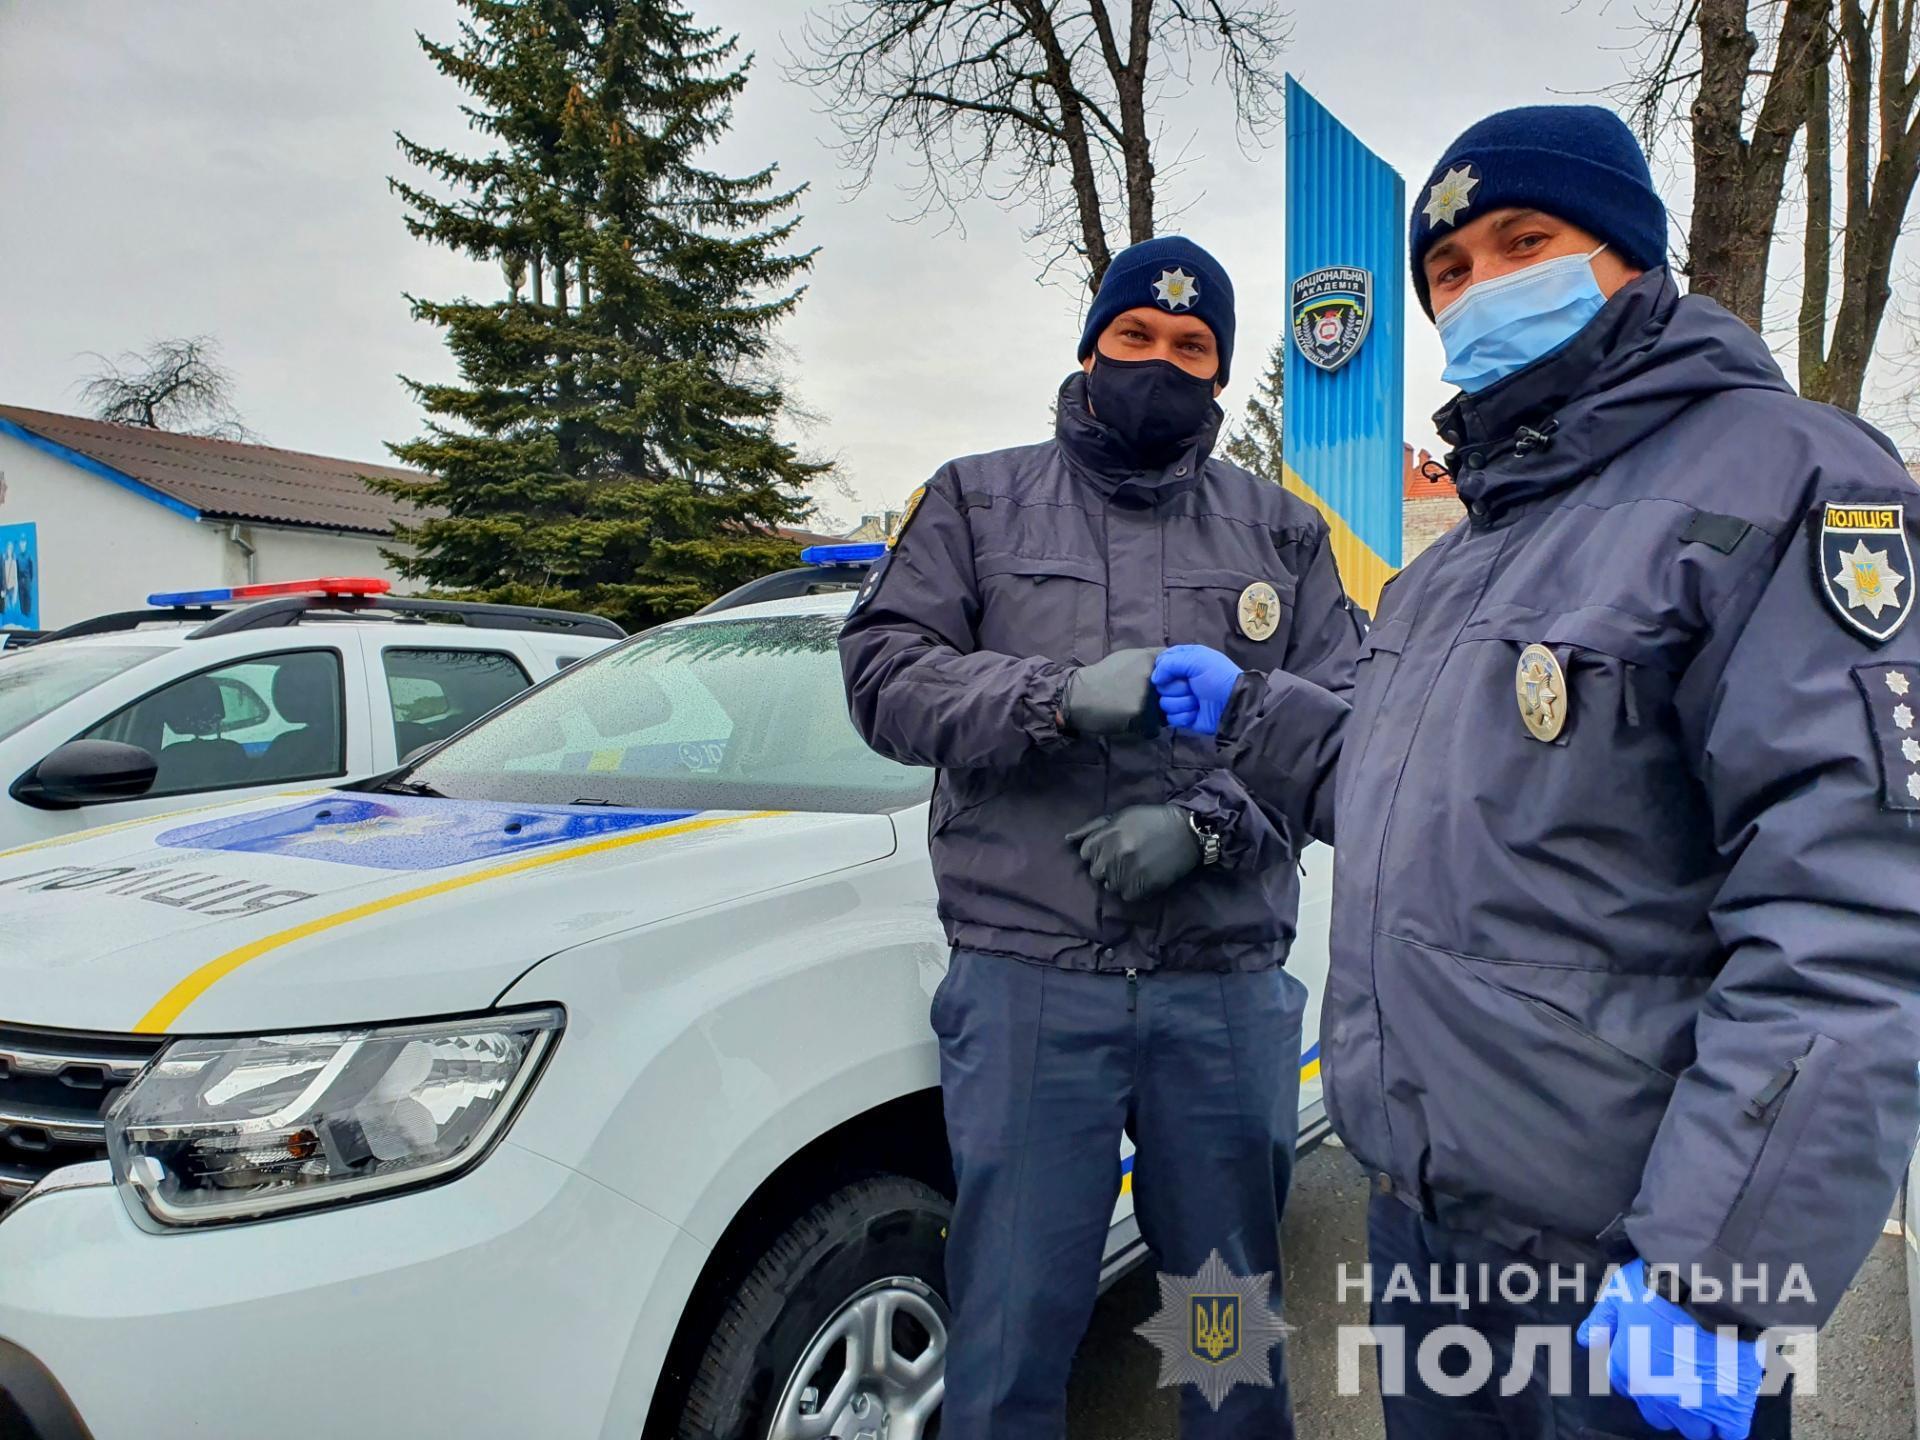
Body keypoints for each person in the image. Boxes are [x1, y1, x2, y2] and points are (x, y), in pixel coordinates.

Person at [1153, 106, 1920, 1440]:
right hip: (1426, 1231)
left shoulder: (1784, 480)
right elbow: (1407, 793)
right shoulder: (1461, 557)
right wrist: (1254, 720)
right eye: (1449, 272)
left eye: (1526, 242)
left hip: (1626, 1264)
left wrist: (1714, 1267)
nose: (1481, 290)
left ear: (1630, 254)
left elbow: (1850, 909)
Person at [840, 235, 1362, 1440]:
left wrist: (1210, 826)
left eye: (1192, 348)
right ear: (1088, 349)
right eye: (1137, 338)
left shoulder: (1282, 533)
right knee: (1014, 1327)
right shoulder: (974, 499)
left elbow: (1345, 737)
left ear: (1220, 375)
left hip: (1217, 996)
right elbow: (884, 679)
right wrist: (1054, 696)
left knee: (1224, 1324)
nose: (1160, 363)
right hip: (1031, 993)